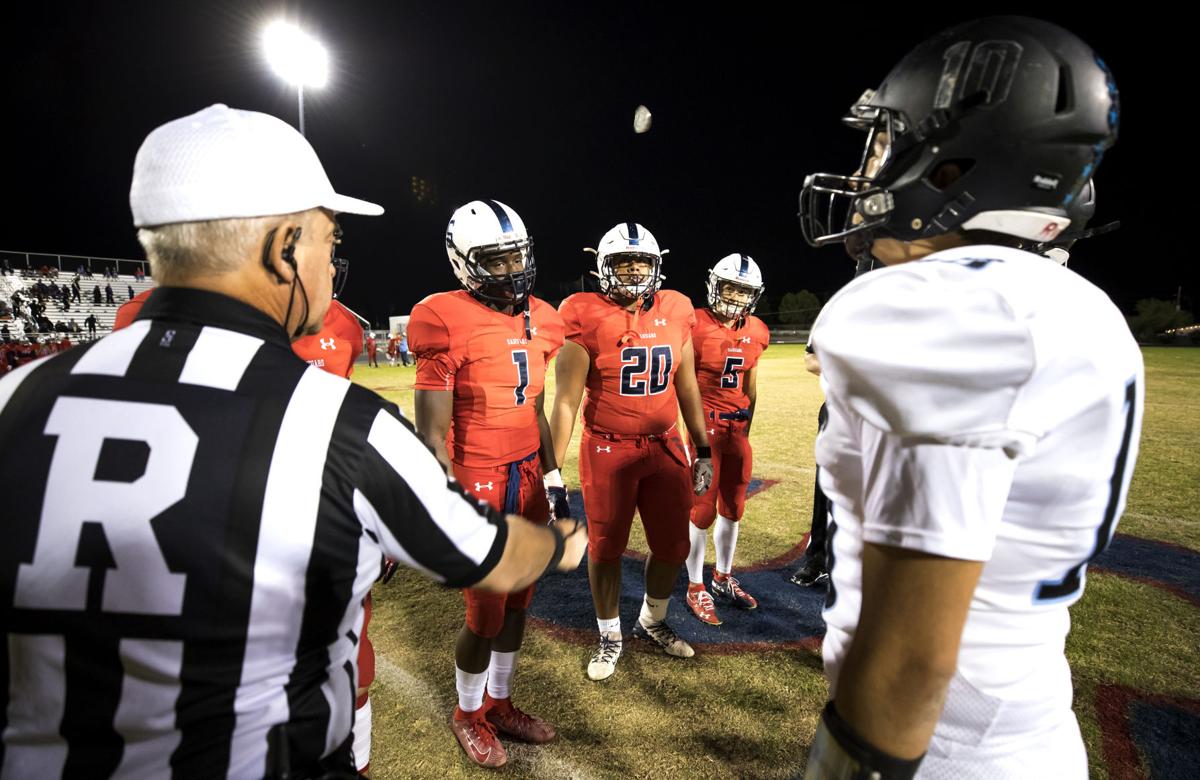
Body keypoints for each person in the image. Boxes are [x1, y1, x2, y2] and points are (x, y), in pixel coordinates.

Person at [0, 103, 586, 780]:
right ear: (284, 249)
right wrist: (560, 542)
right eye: (326, 242)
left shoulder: (17, 400)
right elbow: (484, 553)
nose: (332, 264)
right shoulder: (339, 422)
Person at [796, 18, 1138, 779]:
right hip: (1024, 727)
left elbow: (913, 660)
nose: (865, 173)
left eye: (884, 142)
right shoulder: (1070, 305)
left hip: (936, 751)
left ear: (954, 167)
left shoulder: (944, 310)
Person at [409, 199, 567, 769]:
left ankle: (499, 702)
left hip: (527, 475)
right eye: (494, 262)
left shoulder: (545, 318)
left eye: (516, 258)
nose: (509, 272)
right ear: (463, 263)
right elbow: (432, 431)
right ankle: (467, 713)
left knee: (520, 602)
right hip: (478, 479)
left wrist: (553, 477)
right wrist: (444, 500)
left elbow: (540, 409)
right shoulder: (441, 316)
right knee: (486, 613)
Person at [550, 222, 714, 681]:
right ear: (603, 268)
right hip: (607, 447)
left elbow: (687, 386)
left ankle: (652, 619)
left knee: (673, 545)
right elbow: (565, 399)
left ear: (657, 266)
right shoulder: (581, 311)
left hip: (665, 447)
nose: (634, 272)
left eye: (642, 263)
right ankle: (609, 633)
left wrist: (702, 447)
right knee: (605, 548)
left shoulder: (678, 307)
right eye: (624, 263)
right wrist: (552, 473)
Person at [683, 254, 770, 625]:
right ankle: (694, 585)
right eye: (730, 287)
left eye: (743, 290)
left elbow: (751, 387)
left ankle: (723, 576)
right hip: (705, 430)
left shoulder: (759, 330)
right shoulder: (694, 324)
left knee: (733, 508)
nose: (735, 296)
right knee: (701, 511)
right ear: (714, 286)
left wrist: (745, 430)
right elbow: (681, 383)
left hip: (736, 431)